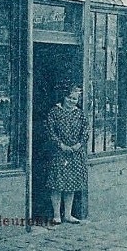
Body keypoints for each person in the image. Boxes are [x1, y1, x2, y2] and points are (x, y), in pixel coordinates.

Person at [46, 85, 88, 224]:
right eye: (69, 97)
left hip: (75, 153)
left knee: (71, 185)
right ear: (64, 97)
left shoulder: (80, 114)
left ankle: (68, 215)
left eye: (75, 99)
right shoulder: (54, 112)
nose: (71, 101)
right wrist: (61, 145)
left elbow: (85, 132)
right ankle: (57, 215)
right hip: (59, 152)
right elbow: (50, 131)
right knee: (57, 184)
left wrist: (78, 145)